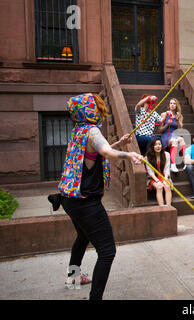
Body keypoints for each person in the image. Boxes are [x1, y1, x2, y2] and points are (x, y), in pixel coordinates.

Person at [49, 93, 144, 300]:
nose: (101, 111)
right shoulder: (92, 130)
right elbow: (105, 151)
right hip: (85, 203)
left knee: (83, 237)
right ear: (91, 110)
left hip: (68, 198)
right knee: (108, 251)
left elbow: (98, 151)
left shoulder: (79, 130)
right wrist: (130, 154)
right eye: (98, 107)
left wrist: (118, 143)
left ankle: (73, 278)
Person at [159, 98, 187, 172]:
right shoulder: (164, 114)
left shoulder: (179, 115)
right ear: (169, 105)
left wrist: (177, 120)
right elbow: (160, 130)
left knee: (181, 139)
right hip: (166, 136)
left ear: (176, 105)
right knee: (175, 141)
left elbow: (180, 128)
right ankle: (173, 165)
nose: (172, 105)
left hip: (174, 135)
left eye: (174, 103)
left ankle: (186, 162)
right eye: (171, 103)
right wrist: (167, 124)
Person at [144, 137, 172, 206]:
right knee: (159, 187)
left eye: (159, 144)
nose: (158, 146)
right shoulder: (148, 157)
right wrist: (157, 181)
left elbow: (167, 169)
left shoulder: (166, 154)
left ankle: (169, 207)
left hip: (164, 176)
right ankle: (161, 207)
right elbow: (150, 172)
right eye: (155, 144)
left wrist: (165, 179)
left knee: (167, 186)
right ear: (152, 146)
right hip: (153, 178)